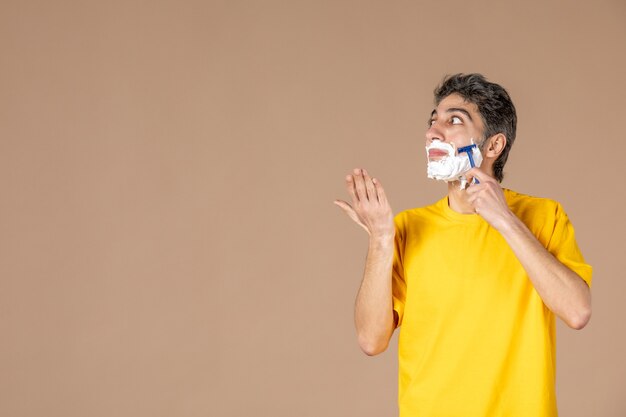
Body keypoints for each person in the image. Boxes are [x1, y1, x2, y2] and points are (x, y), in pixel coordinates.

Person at [333, 73, 592, 417]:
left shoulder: (545, 216)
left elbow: (577, 311)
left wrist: (504, 219)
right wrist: (381, 240)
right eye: (433, 120)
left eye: (454, 120)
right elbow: (370, 340)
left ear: (493, 146)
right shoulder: (408, 228)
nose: (433, 132)